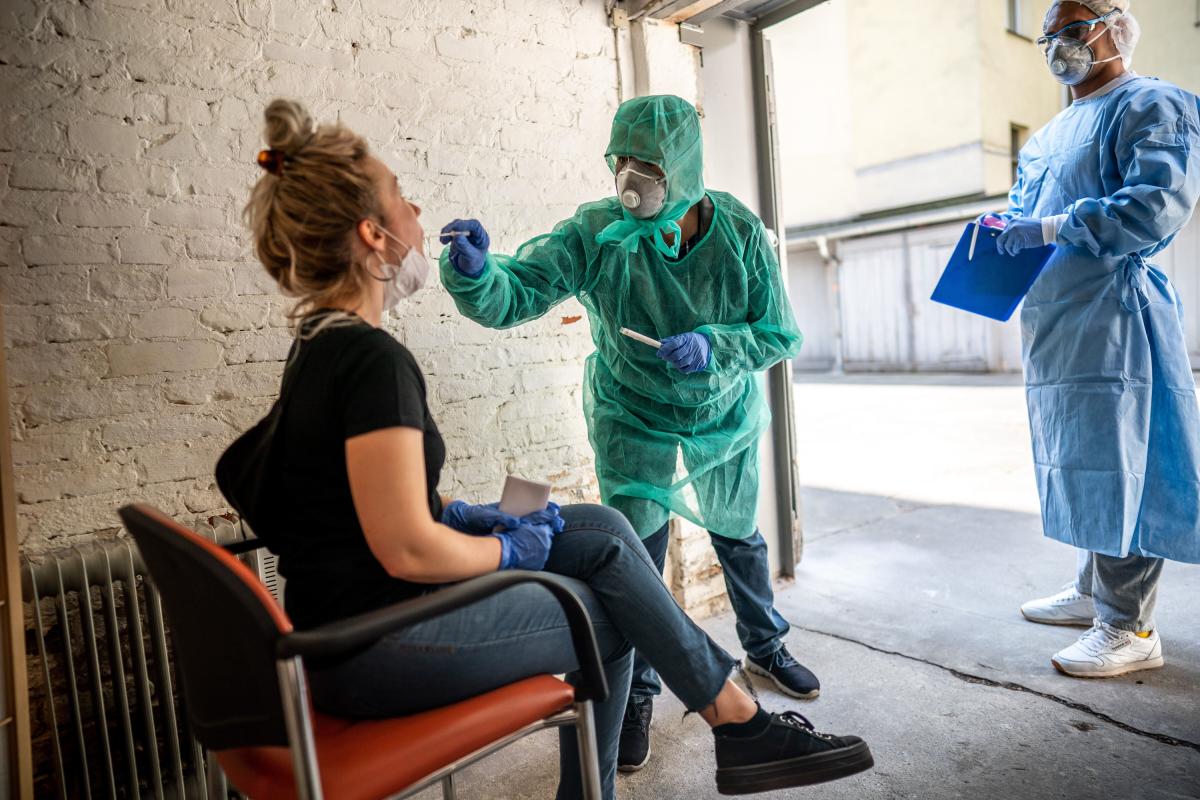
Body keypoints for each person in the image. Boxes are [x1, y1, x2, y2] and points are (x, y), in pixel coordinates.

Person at [219, 98, 873, 800]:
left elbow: (351, 504)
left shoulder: (319, 347)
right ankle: (731, 723)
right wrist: (506, 549)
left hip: (347, 627)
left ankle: (744, 698)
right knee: (615, 609)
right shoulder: (376, 361)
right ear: (373, 235)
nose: (418, 209)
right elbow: (406, 550)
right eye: (402, 197)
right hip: (377, 641)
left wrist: (459, 513)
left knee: (611, 532)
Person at [438, 94, 814, 772]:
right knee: (637, 555)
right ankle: (639, 694)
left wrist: (717, 344)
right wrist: (479, 275)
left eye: (650, 165)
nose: (631, 178)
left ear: (684, 168)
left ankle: (765, 645)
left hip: (720, 411)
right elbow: (520, 290)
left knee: (738, 533)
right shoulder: (598, 232)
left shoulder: (737, 231)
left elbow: (778, 332)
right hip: (632, 412)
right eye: (623, 161)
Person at [990, 0, 1200, 677]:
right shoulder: (1047, 135)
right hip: (1056, 321)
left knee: (1124, 462)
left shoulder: (1154, 104)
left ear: (1116, 27)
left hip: (1115, 318)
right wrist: (1002, 234)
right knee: (1081, 461)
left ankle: (1129, 626)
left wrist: (1054, 227)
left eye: (1074, 29)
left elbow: (1156, 206)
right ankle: (1092, 591)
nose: (1060, 44)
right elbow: (1024, 216)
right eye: (1049, 36)